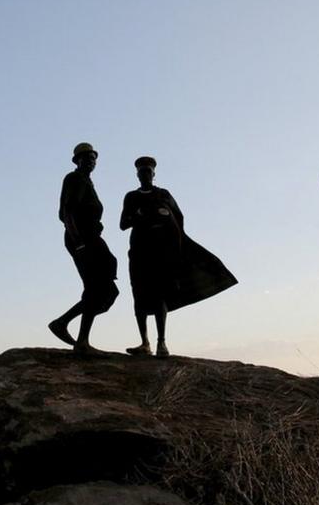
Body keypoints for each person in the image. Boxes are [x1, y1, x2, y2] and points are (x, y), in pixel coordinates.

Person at [120, 156, 237, 357]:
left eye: (148, 171)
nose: (144, 174)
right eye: (141, 171)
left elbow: (179, 219)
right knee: (139, 296)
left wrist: (170, 231)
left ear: (153, 174)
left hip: (161, 252)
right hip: (139, 252)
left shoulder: (163, 194)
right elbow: (123, 224)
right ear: (137, 174)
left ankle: (161, 343)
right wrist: (137, 215)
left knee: (159, 296)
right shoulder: (131, 197)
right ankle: (144, 343)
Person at [48, 142, 119, 353]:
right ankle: (82, 341)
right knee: (96, 288)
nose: (91, 161)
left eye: (93, 158)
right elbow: (67, 212)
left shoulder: (86, 181)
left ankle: (63, 323)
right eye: (86, 158)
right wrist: (79, 242)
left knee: (108, 292)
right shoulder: (75, 179)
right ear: (77, 161)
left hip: (91, 238)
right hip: (83, 238)